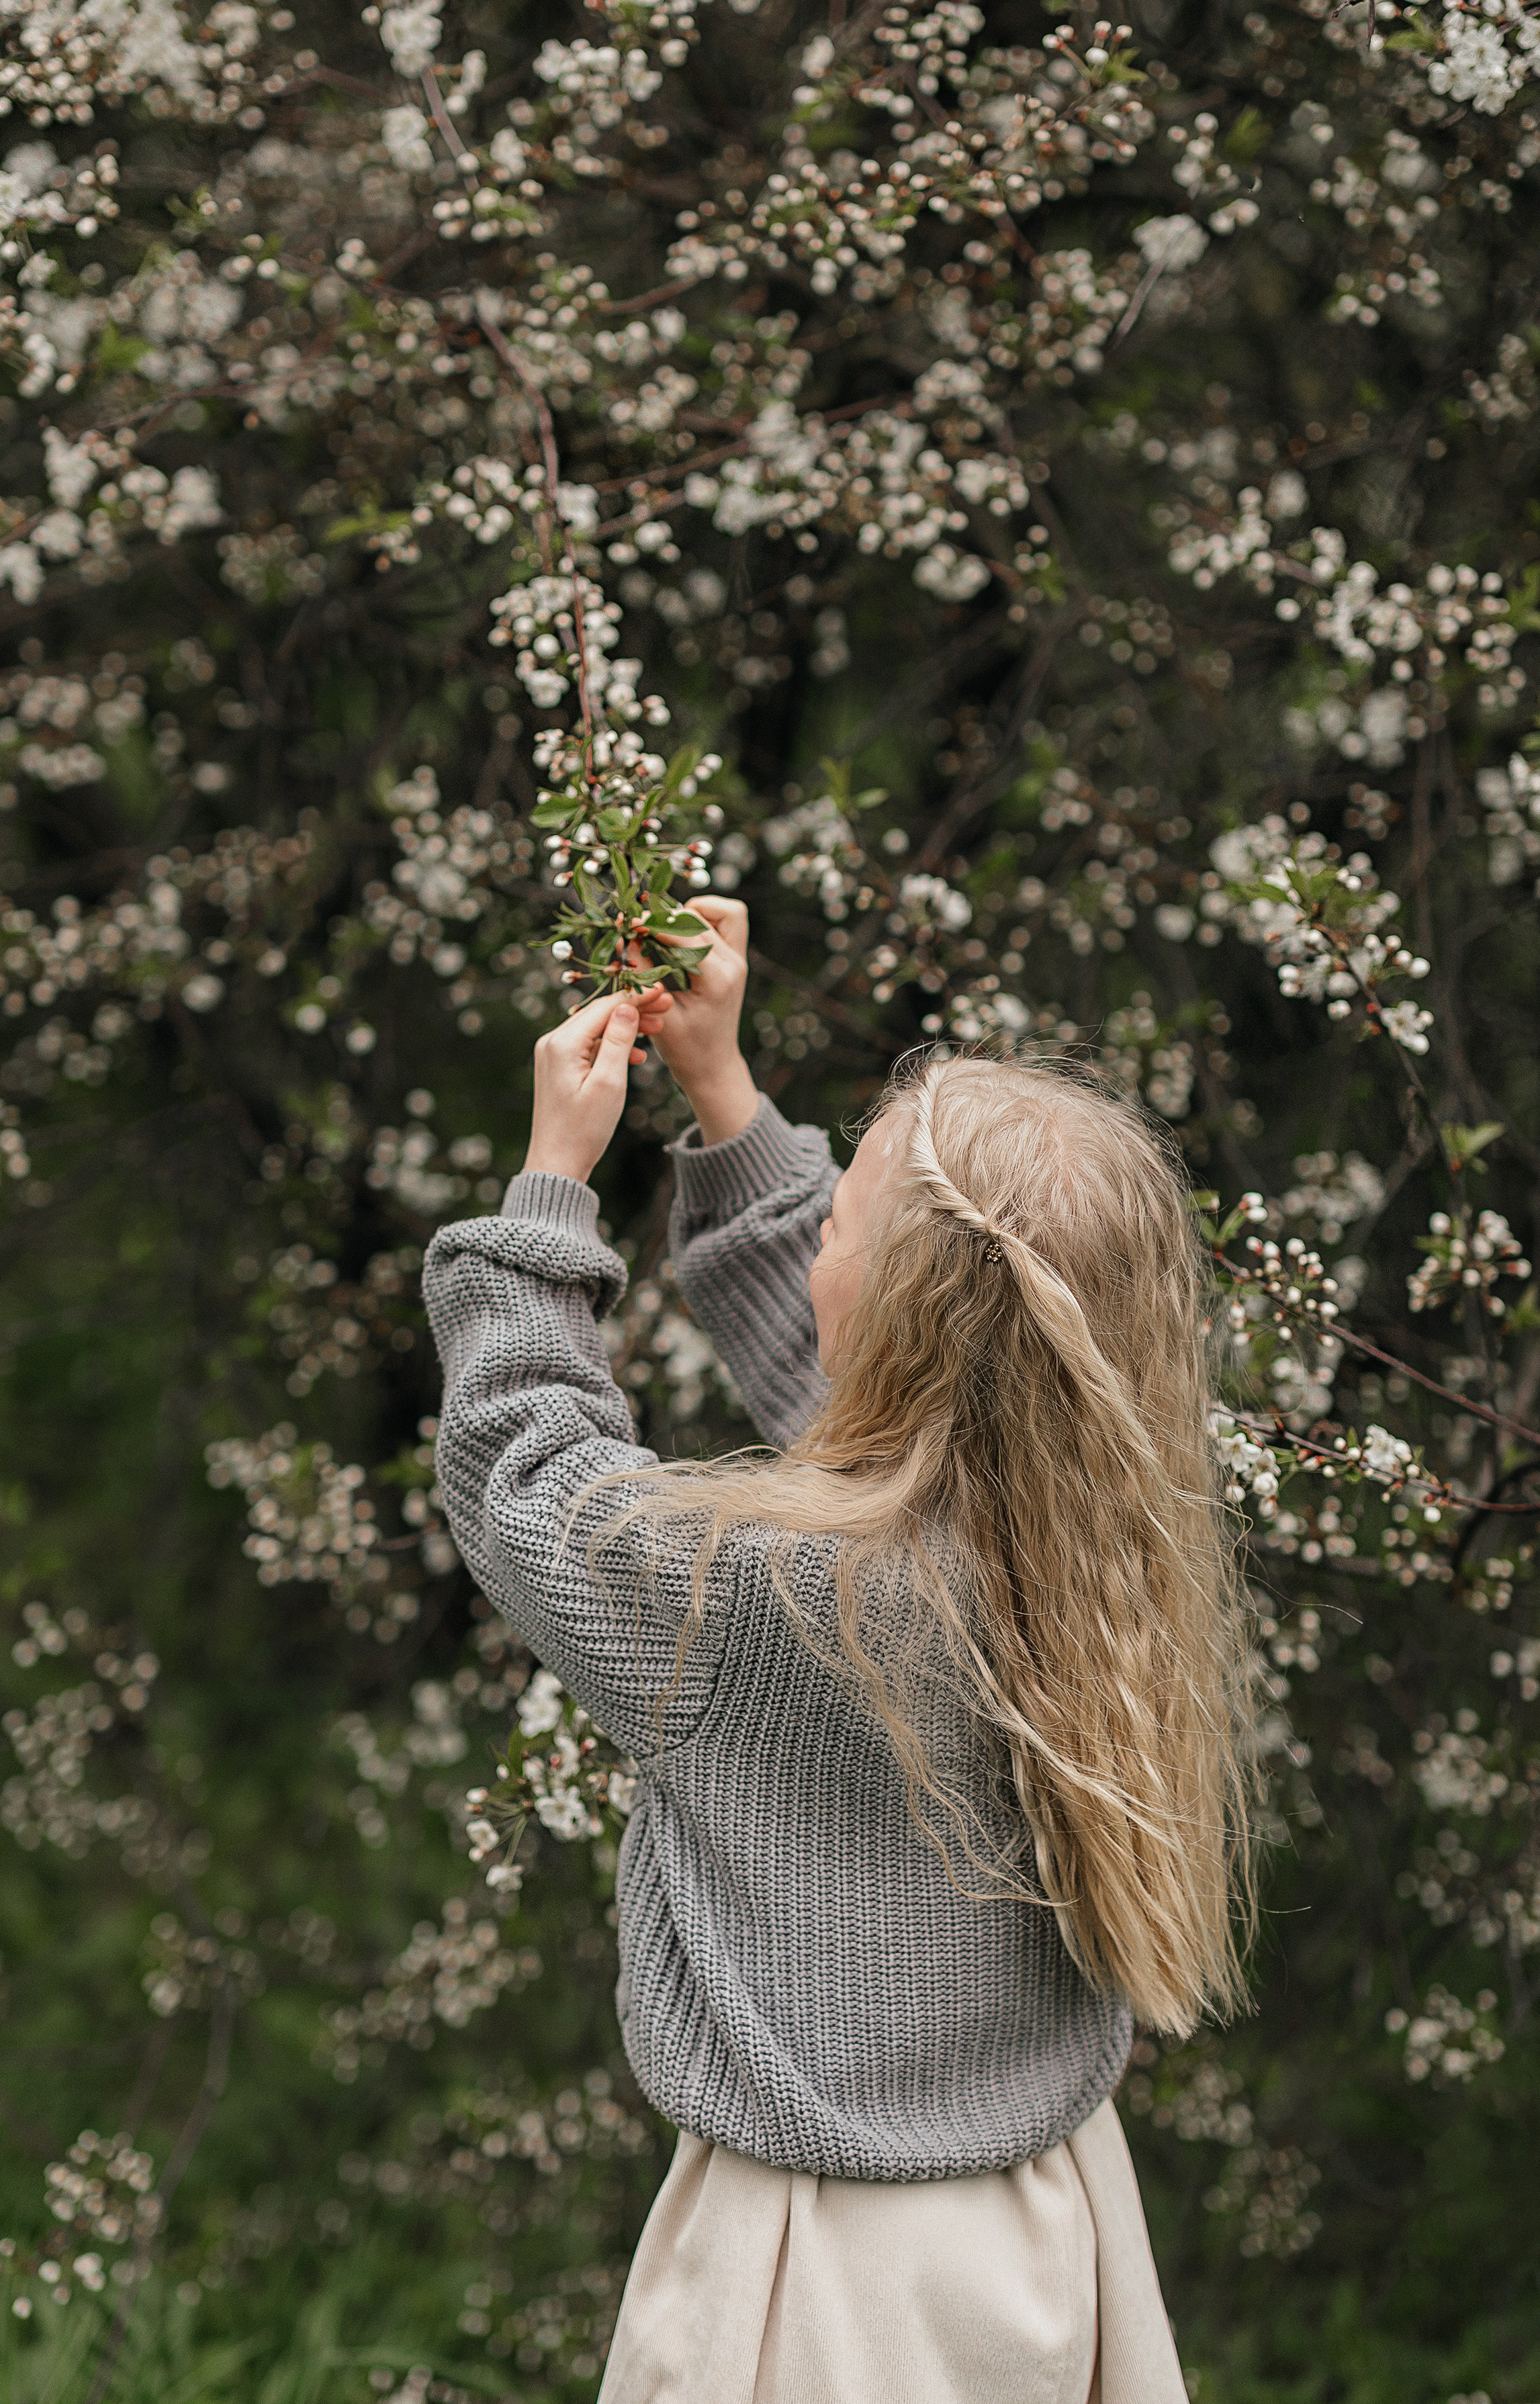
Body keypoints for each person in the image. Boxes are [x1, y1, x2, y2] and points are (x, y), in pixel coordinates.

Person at [422, 897, 1258, 2404]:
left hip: (813, 2280)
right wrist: (720, 1090)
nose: (814, 1240)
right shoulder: (1089, 1531)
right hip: (1048, 2216)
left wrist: (547, 1191)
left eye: (841, 1222)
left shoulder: (773, 1604)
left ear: (894, 1307)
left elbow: (520, 1480)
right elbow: (872, 1408)